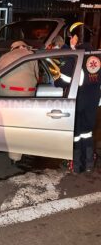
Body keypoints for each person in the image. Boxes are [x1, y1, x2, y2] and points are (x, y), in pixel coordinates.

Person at [55, 22, 100, 173]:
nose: (70, 40)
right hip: (93, 102)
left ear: (75, 38)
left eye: (71, 38)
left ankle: (76, 165)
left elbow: (62, 81)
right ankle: (88, 164)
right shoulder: (96, 55)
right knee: (87, 132)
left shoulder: (76, 57)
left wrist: (56, 79)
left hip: (77, 101)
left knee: (75, 134)